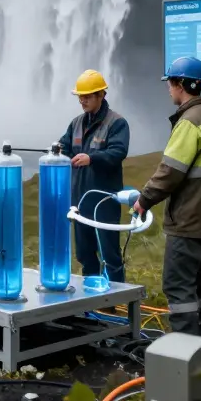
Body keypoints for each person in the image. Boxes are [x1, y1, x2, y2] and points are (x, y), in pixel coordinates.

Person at [132, 56, 201, 341]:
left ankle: (185, 353)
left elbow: (170, 171)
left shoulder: (189, 122)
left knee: (178, 286)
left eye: (171, 83)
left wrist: (144, 199)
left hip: (187, 219)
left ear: (181, 85)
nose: (168, 89)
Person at [59, 69, 131, 283]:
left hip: (104, 201)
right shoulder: (76, 123)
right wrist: (59, 153)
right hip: (79, 202)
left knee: (110, 255)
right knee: (84, 254)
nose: (82, 100)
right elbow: (64, 145)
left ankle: (115, 302)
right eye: (80, 96)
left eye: (87, 96)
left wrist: (92, 158)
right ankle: (91, 300)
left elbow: (118, 152)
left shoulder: (117, 123)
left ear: (101, 95)